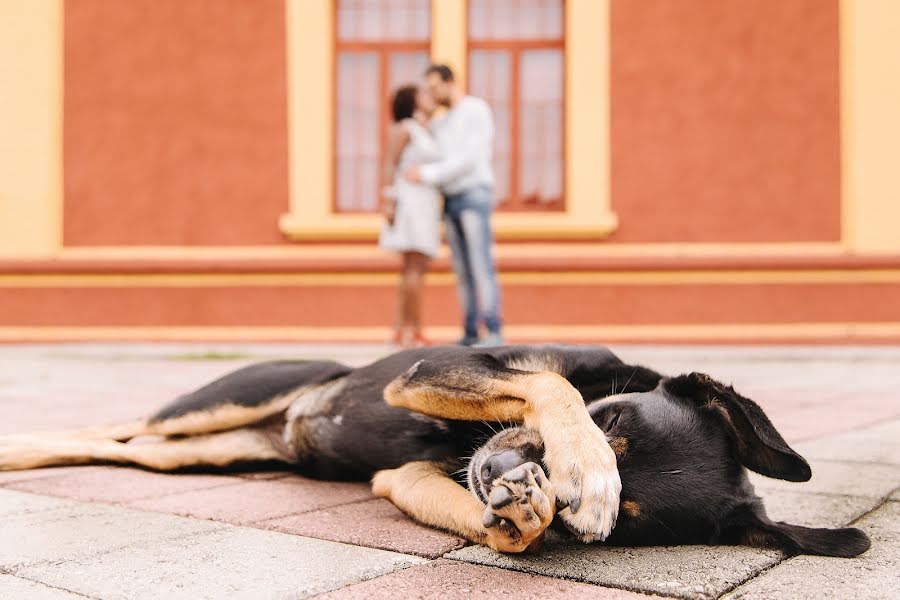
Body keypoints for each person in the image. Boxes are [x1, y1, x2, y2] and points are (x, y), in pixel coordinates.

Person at [405, 64, 504, 347]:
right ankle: (471, 330)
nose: (433, 95)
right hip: (449, 199)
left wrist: (425, 175)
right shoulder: (442, 122)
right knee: (461, 269)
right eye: (429, 90)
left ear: (450, 83)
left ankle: (493, 329)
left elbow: (469, 159)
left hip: (474, 194)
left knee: (481, 264)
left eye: (436, 88)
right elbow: (429, 150)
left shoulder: (475, 110)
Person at [379, 85, 441, 348]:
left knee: (414, 268)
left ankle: (402, 328)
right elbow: (390, 162)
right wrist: (388, 200)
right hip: (410, 201)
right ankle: (413, 329)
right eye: (425, 95)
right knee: (414, 267)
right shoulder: (406, 128)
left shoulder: (428, 129)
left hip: (425, 201)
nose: (431, 98)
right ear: (414, 103)